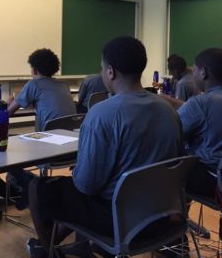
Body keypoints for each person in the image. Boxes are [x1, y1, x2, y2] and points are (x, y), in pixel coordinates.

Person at [27, 36, 182, 258]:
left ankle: (47, 250)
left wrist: (79, 171)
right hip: (162, 214)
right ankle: (78, 246)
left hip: (119, 220)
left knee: (39, 187)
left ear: (110, 71)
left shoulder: (102, 114)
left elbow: (86, 186)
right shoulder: (168, 110)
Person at [175, 48, 222, 199]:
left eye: (194, 69)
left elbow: (169, 133)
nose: (192, 74)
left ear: (203, 72)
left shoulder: (200, 103)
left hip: (212, 179)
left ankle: (172, 217)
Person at [7, 48, 76, 132]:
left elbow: (8, 112)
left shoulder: (34, 84)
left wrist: (9, 103)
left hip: (49, 135)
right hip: (70, 134)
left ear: (35, 71)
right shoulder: (64, 85)